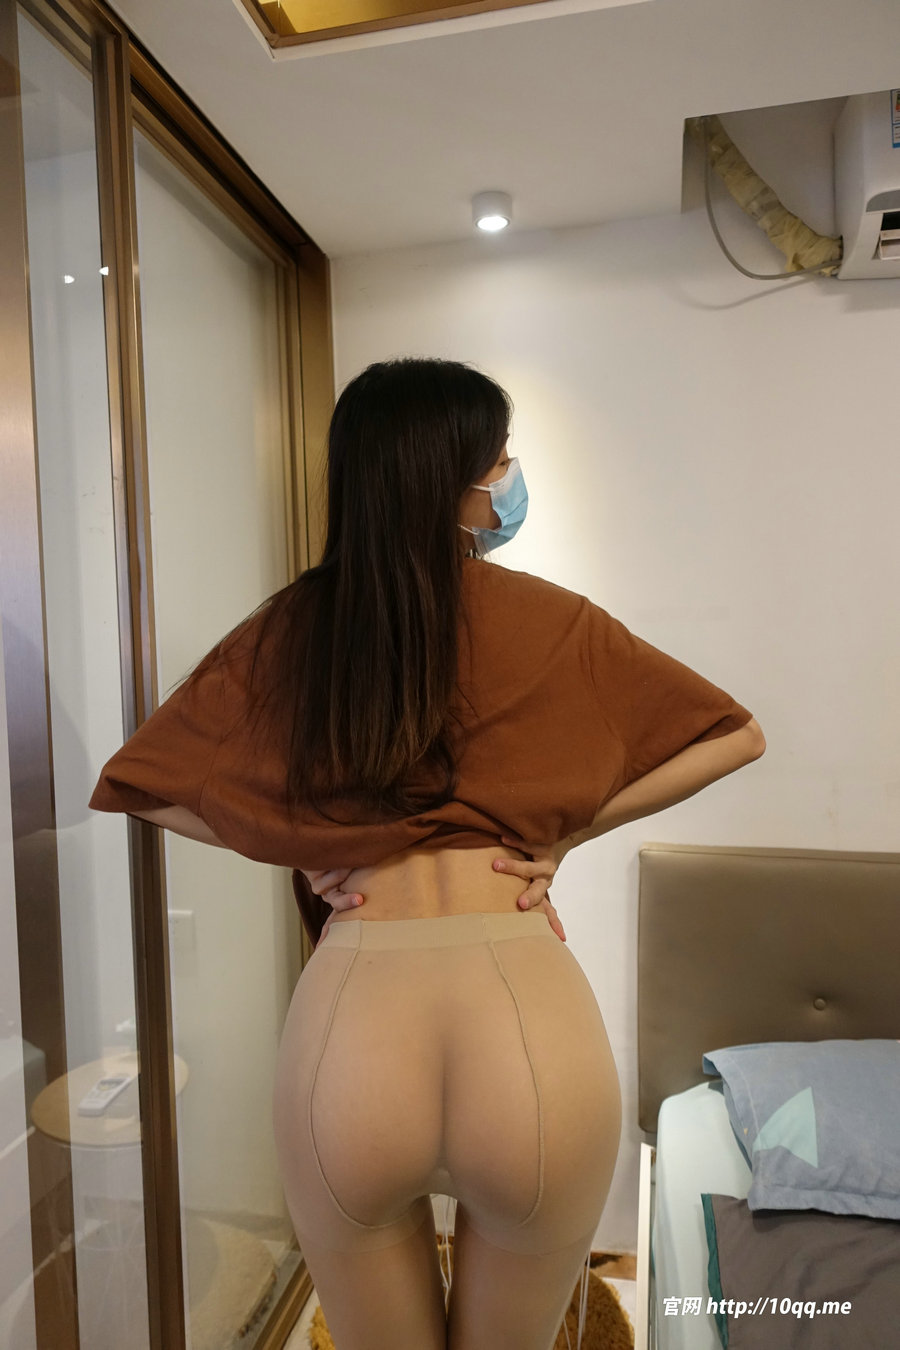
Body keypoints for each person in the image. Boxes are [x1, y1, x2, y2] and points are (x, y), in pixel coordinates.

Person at [89, 356, 765, 1350]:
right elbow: (736, 735)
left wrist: (303, 848)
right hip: (528, 1024)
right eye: (499, 460)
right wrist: (565, 836)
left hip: (352, 1030)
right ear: (452, 480)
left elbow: (141, 784)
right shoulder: (554, 620)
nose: (507, 480)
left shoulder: (290, 631)